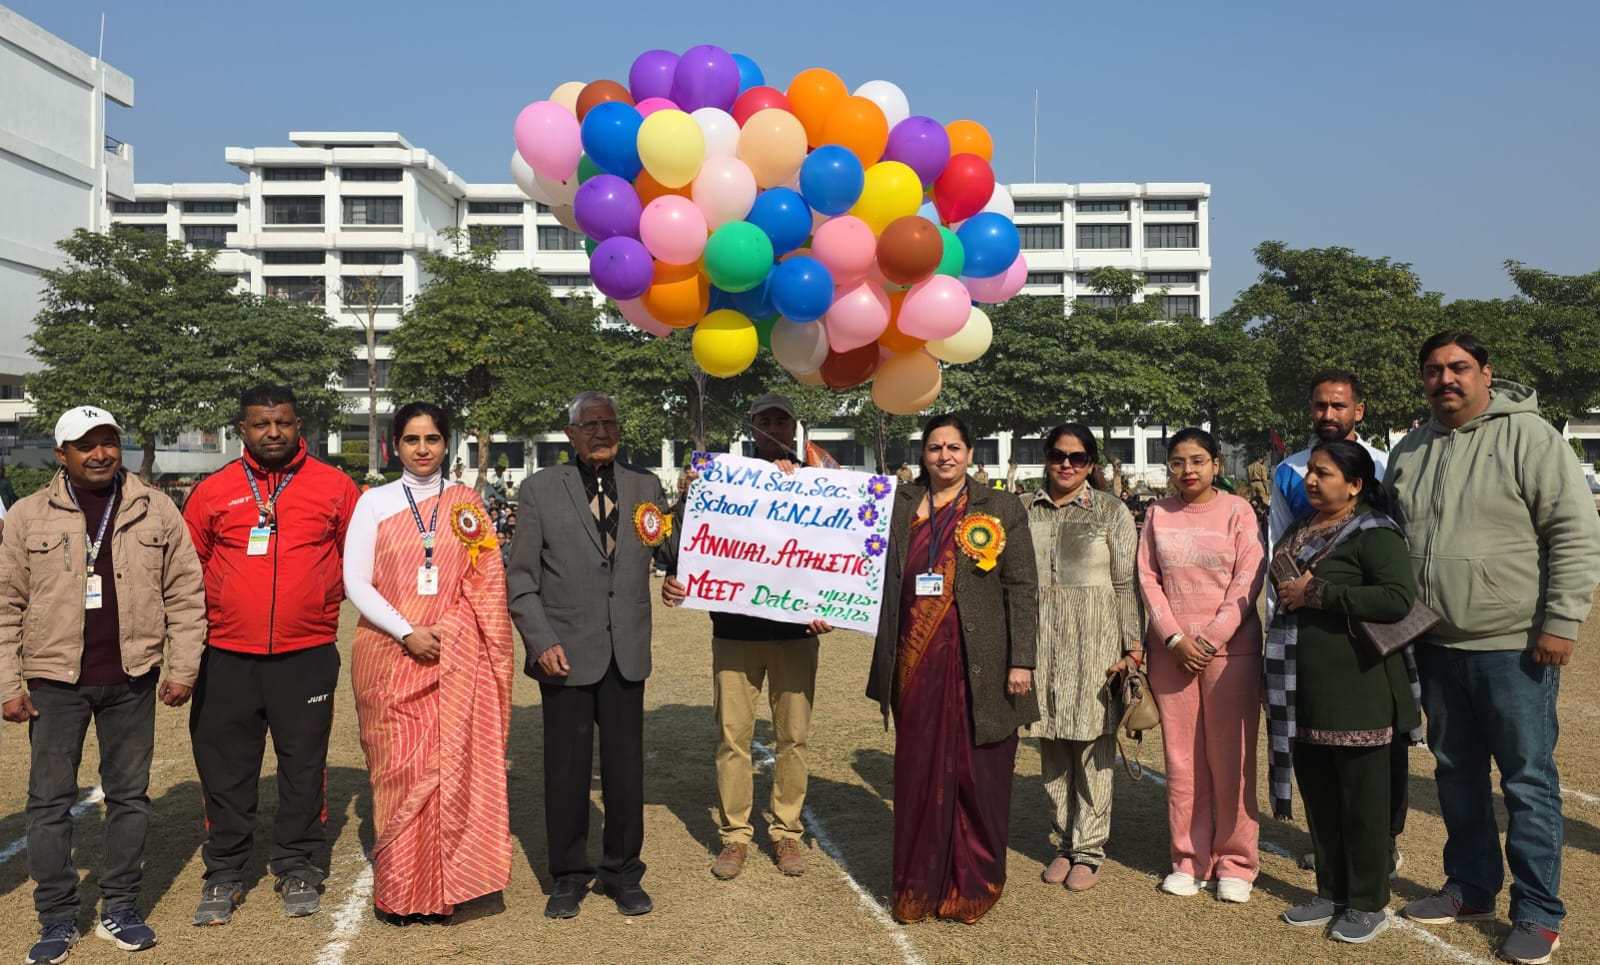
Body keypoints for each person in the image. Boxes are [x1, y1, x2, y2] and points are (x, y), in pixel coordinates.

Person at [1388, 333, 1600, 965]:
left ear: (1485, 372)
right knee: (1455, 774)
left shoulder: (1530, 438)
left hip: (1515, 646)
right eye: (1433, 370)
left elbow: (1573, 531)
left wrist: (1561, 621)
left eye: (1459, 367)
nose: (1445, 379)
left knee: (1527, 781)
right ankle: (1471, 887)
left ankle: (1537, 912)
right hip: (1435, 642)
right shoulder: (1410, 449)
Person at [0, 407, 205, 963]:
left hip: (131, 679)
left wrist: (183, 668)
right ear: (61, 454)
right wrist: (9, 684)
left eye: (108, 442)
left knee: (129, 798)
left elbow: (186, 593)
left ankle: (120, 907)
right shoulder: (27, 515)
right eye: (85, 445)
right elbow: (6, 603)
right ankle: (57, 917)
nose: (100, 454)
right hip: (54, 683)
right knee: (49, 803)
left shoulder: (155, 507)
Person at [183, 385, 361, 925]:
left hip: (306, 653)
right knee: (226, 768)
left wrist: (320, 599)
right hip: (226, 655)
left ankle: (298, 863)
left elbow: (358, 561)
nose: (273, 432)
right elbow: (189, 567)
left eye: (282, 422)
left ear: (297, 424)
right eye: (261, 424)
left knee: (303, 766)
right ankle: (224, 870)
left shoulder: (335, 486)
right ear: (243, 429)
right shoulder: (212, 491)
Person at [343, 402, 515, 925]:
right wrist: (408, 632)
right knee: (398, 774)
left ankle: (446, 890)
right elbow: (356, 582)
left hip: (454, 658)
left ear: (447, 444)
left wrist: (450, 630)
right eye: (412, 439)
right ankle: (401, 892)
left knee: (451, 772)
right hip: (389, 658)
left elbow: (486, 581)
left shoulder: (467, 504)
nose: (422, 449)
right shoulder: (373, 503)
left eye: (433, 439)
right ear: (395, 446)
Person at [866, 413, 1038, 924]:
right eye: (935, 447)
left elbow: (1022, 587)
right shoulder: (896, 504)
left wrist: (1022, 659)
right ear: (923, 454)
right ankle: (916, 886)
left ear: (970, 454)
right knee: (918, 771)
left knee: (979, 774)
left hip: (979, 662)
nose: (944, 456)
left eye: (954, 447)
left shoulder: (1000, 507)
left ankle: (973, 885)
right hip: (914, 661)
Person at [507, 391, 672, 920]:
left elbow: (669, 552)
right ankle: (568, 876)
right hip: (564, 653)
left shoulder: (646, 486)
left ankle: (624, 873)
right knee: (566, 773)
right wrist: (541, 640)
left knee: (625, 773)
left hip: (626, 651)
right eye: (591, 425)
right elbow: (520, 579)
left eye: (610, 423)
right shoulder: (538, 490)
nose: (602, 433)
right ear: (571, 433)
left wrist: (700, 505)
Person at [661, 392, 833, 880]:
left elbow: (837, 554)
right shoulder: (720, 479)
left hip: (796, 634)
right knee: (732, 738)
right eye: (765, 420)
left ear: (794, 427)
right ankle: (735, 836)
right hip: (734, 630)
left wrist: (832, 607)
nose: (774, 427)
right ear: (752, 428)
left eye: (782, 419)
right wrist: (689, 501)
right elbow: (679, 545)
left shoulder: (818, 484)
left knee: (792, 738)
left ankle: (786, 831)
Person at [1267, 440, 1421, 944]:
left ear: (1354, 485)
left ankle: (1368, 902)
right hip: (1302, 686)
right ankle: (1331, 892)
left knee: (1363, 802)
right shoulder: (1301, 527)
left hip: (1360, 687)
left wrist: (1319, 592)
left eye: (1324, 473)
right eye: (1310, 472)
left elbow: (1397, 600)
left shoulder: (1375, 532)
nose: (1311, 481)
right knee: (1321, 796)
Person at [1269, 371, 1409, 877]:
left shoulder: (1385, 465)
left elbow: (1394, 557)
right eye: (1319, 405)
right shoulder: (1289, 470)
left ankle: (1383, 842)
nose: (1328, 414)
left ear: (1359, 410)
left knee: (1379, 748)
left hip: (1370, 631)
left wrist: (1331, 593)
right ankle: (1332, 854)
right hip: (1305, 632)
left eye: (1338, 405)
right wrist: (1282, 618)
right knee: (1317, 745)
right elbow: (1278, 548)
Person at [1137, 427, 1266, 904]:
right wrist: (1173, 637)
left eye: (1197, 460)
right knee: (1182, 762)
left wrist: (1210, 639)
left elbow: (1249, 577)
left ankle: (1236, 862)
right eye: (1177, 462)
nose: (1187, 470)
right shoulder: (1157, 513)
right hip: (1171, 654)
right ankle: (1188, 860)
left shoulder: (1239, 510)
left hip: (1230, 655)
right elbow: (1147, 578)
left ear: (1217, 465)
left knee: (1232, 761)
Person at [1027, 424, 1141, 893]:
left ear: (1091, 464)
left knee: (1093, 743)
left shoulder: (1111, 511)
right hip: (1041, 643)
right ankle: (1063, 841)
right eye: (1058, 455)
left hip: (1096, 642)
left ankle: (1089, 850)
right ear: (1046, 458)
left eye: (1077, 457)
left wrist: (1133, 648)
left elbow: (1126, 584)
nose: (1066, 464)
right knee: (1052, 740)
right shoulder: (1024, 510)